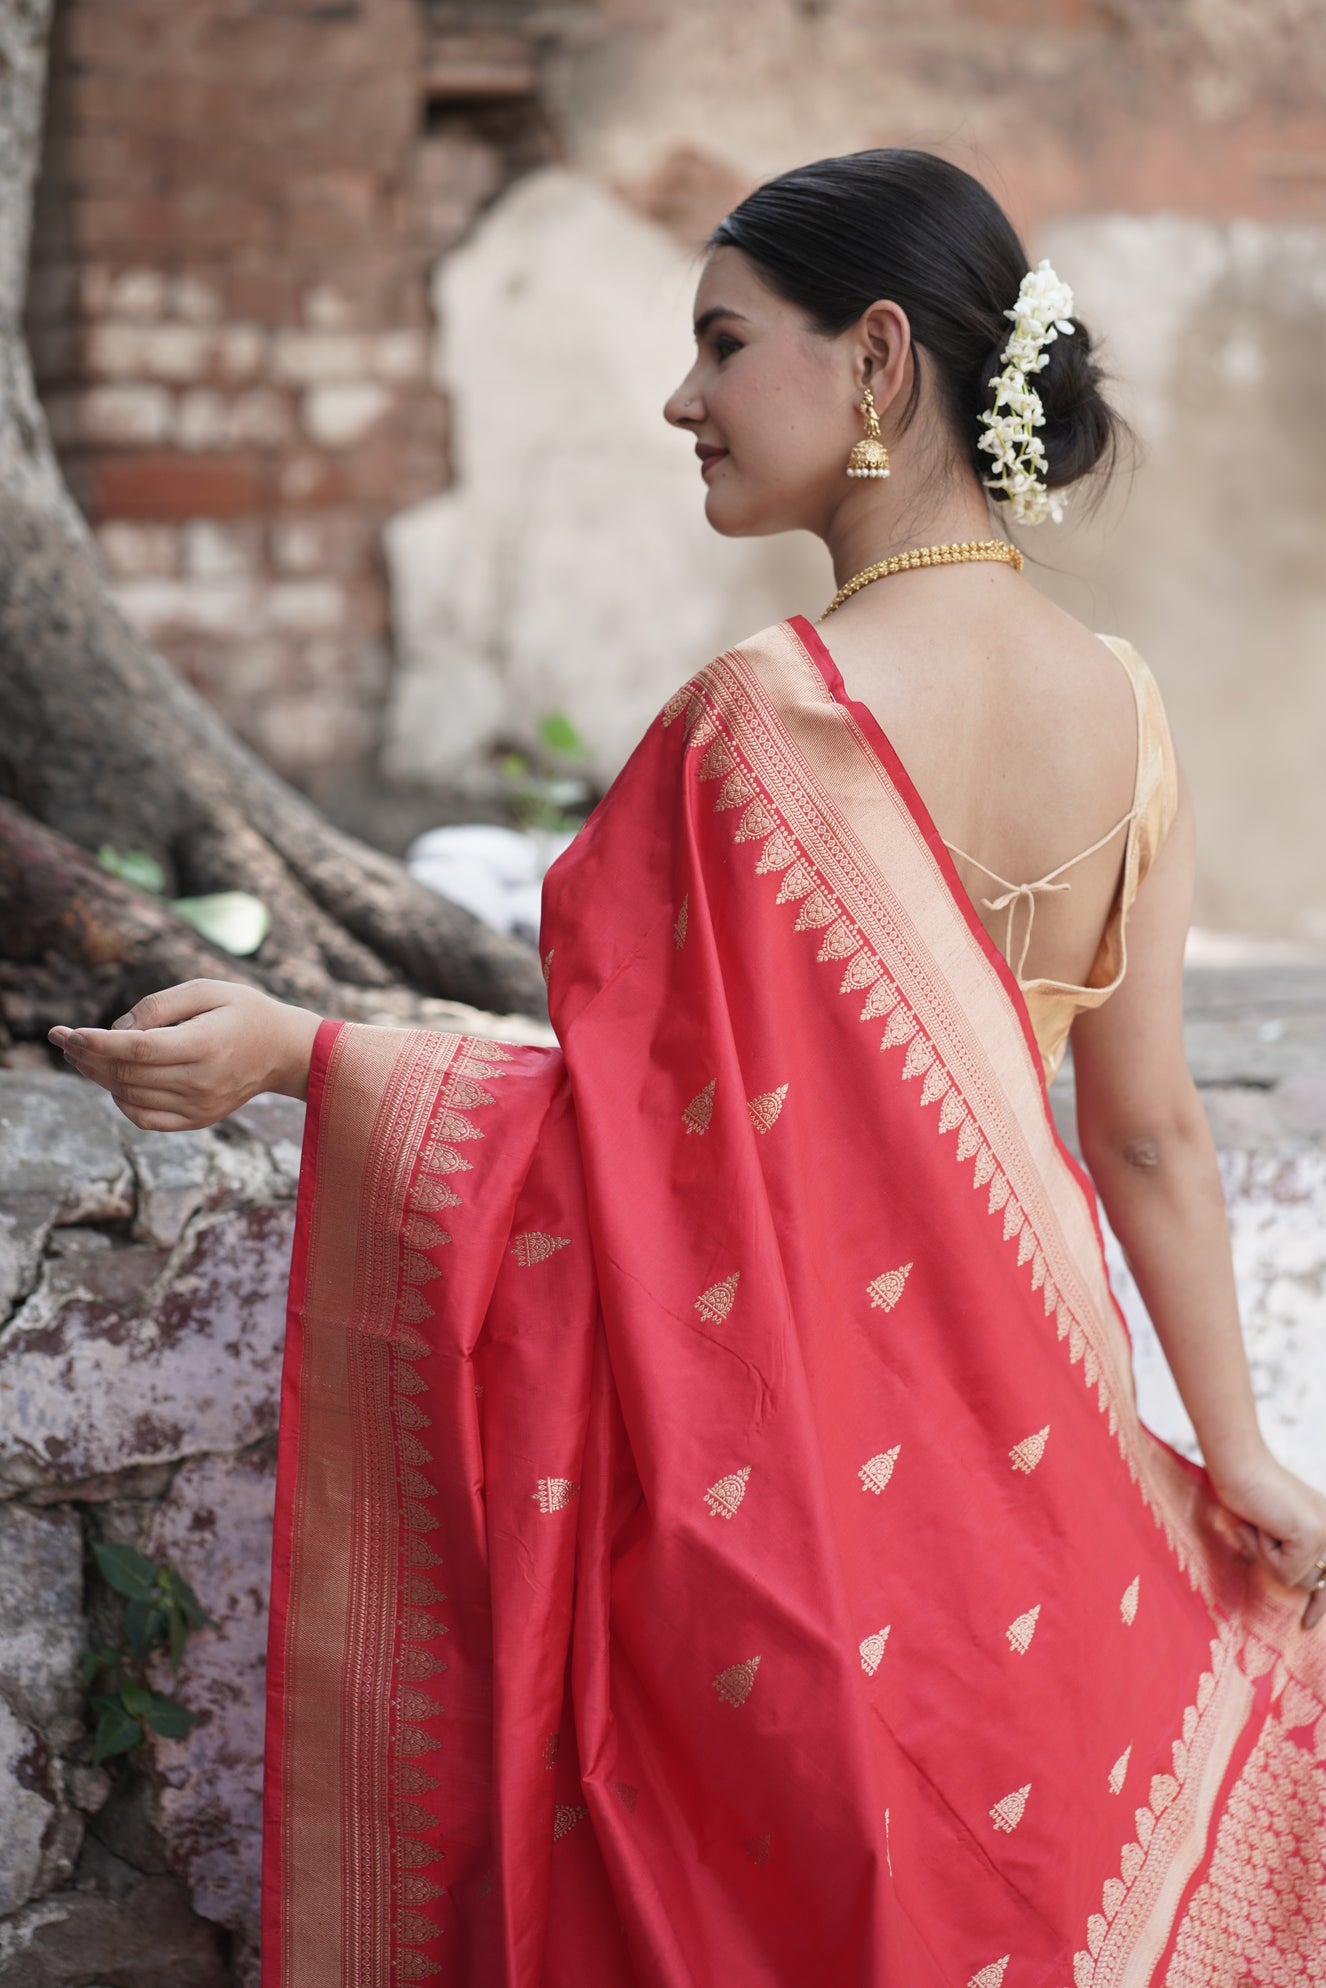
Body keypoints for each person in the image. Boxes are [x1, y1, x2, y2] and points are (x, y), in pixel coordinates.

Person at [50, 150, 1326, 1987]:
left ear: (878, 360)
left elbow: (612, 1158)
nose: (683, 399)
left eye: (723, 345)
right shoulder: (1121, 712)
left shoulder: (767, 725)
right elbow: (1148, 1141)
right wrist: (1245, 1454)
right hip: (1029, 1500)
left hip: (795, 1516)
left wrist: (299, 1055)